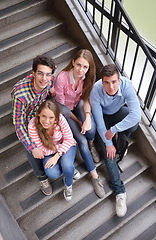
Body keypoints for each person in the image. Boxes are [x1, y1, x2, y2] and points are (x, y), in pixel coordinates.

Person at [90, 64, 141, 217]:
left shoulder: (127, 86)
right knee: (109, 154)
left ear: (119, 80)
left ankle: (122, 143)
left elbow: (136, 116)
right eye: (106, 82)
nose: (110, 86)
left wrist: (114, 130)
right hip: (103, 118)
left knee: (135, 123)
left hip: (118, 113)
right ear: (102, 81)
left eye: (114, 82)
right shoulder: (96, 90)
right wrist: (108, 144)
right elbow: (99, 122)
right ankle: (120, 192)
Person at [54, 49, 105, 199]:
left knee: (91, 130)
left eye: (85, 67)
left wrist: (87, 118)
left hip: (78, 105)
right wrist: (78, 121)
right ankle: (95, 177)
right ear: (73, 63)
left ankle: (92, 145)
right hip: (65, 112)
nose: (81, 70)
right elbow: (62, 109)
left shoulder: (87, 78)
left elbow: (86, 100)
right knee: (81, 141)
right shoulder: (62, 79)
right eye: (78, 65)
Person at [11, 55, 56, 196]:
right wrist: (32, 147)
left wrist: (52, 89)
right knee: (30, 148)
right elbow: (18, 124)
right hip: (27, 121)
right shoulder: (20, 94)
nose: (44, 78)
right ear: (33, 73)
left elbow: (51, 80)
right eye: (40, 74)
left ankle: (60, 157)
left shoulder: (49, 81)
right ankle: (41, 177)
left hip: (40, 114)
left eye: (48, 74)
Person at [28, 100, 79, 201]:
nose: (47, 121)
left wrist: (57, 155)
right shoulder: (32, 126)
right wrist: (59, 147)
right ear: (38, 114)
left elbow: (69, 139)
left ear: (55, 117)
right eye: (44, 116)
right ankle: (68, 170)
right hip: (55, 150)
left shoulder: (60, 119)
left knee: (67, 166)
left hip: (66, 148)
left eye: (51, 117)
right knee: (52, 173)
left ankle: (68, 184)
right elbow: (42, 150)